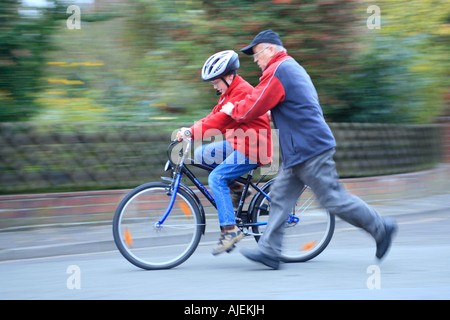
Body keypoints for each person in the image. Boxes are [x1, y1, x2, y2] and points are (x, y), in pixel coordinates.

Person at [220, 30, 397, 269]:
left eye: (257, 52)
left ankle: (381, 227)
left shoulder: (278, 69)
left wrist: (233, 110)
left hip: (310, 149)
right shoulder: (289, 67)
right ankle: (270, 252)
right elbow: (291, 104)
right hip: (298, 151)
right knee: (280, 198)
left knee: (333, 199)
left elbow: (255, 103)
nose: (255, 59)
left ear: (271, 49)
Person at [177, 50, 272, 255]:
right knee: (201, 154)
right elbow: (213, 116)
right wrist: (189, 130)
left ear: (229, 76)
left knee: (216, 178)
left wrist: (191, 133)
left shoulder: (242, 92)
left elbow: (220, 122)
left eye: (216, 82)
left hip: (253, 147)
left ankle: (230, 230)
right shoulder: (229, 92)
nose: (214, 86)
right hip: (239, 143)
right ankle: (238, 187)